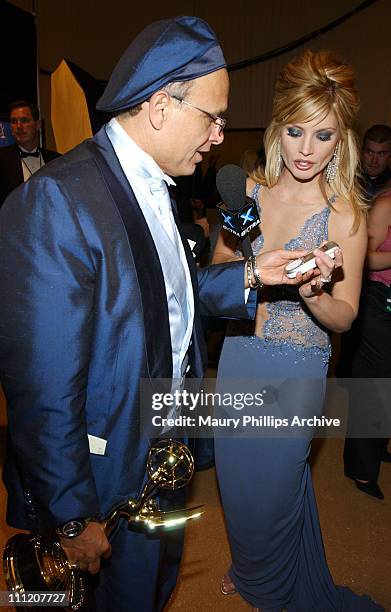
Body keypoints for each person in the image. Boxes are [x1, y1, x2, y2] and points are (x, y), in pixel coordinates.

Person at [0, 17, 309, 612]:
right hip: (106, 473)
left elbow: (164, 293)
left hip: (163, 442)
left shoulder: (159, 184)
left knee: (154, 589)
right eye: (213, 117)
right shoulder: (57, 201)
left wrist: (252, 275)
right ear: (162, 106)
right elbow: (40, 388)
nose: (220, 136)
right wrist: (71, 515)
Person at [213, 50, 384, 611]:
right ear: (277, 128)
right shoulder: (250, 196)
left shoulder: (346, 215)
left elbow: (347, 315)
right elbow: (218, 275)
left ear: (342, 141)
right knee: (237, 488)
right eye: (296, 131)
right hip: (239, 357)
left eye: (325, 136)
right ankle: (251, 566)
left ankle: (275, 583)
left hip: (296, 366)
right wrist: (243, 266)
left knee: (277, 489)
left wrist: (313, 292)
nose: (307, 150)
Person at [344, 187, 391, 499]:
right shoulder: (386, 204)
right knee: (375, 384)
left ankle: (376, 446)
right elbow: (364, 257)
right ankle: (362, 469)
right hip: (377, 300)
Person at [0, 100, 60, 206]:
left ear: (37, 125)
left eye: (24, 120)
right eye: (13, 121)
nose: (19, 126)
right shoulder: (2, 159)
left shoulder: (57, 160)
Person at [360, 124, 391, 202]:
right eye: (370, 152)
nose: (374, 161)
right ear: (362, 152)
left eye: (381, 154)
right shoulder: (347, 179)